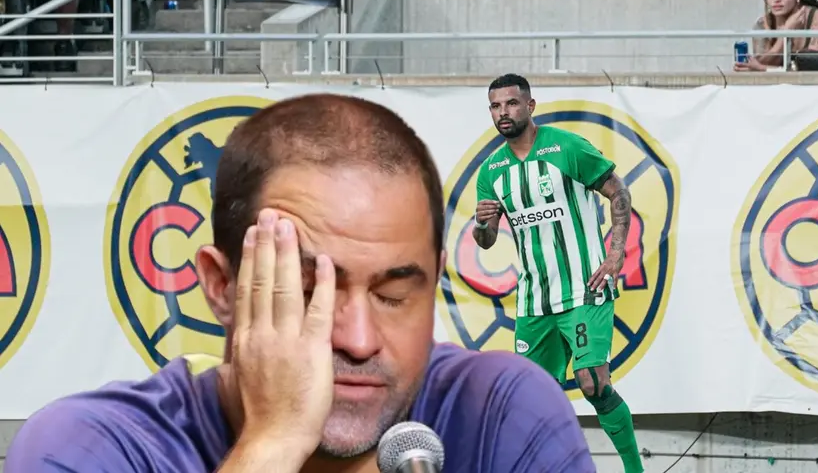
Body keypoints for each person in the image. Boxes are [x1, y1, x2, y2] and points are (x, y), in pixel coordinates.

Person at [6, 94, 595, 472]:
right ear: (221, 286)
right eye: (310, 292)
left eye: (394, 296)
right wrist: (272, 442)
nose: (360, 340)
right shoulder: (90, 448)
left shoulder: (498, 412)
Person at [472, 74, 644, 473]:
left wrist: (615, 252)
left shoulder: (565, 147)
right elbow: (486, 240)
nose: (504, 112)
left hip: (585, 288)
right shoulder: (491, 171)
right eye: (496, 106)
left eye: (512, 104)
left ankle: (635, 469)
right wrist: (483, 224)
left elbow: (619, 191)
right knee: (535, 400)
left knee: (591, 382)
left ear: (530, 107)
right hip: (535, 299)